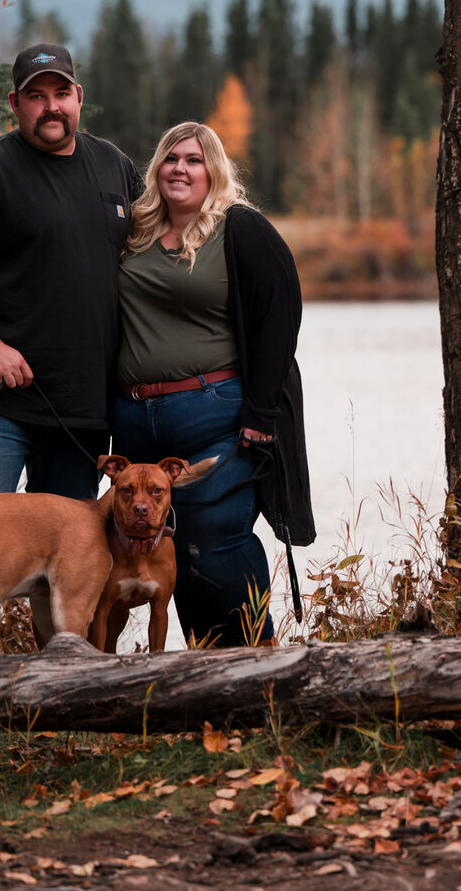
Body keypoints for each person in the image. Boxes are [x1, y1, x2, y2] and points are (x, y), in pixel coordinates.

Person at [110, 122, 314, 648]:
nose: (180, 168)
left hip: (214, 414)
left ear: (214, 171)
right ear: (156, 167)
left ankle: (256, 664)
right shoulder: (134, 231)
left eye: (194, 160)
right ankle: (203, 671)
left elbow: (280, 314)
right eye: (171, 158)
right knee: (166, 549)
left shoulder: (238, 228)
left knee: (216, 542)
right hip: (136, 425)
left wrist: (261, 415)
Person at [0, 42, 142, 502]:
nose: (51, 106)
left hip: (82, 407)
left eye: (61, 92)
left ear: (79, 96)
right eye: (37, 96)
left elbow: (158, 249)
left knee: (65, 565)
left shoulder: (114, 166)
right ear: (16, 104)